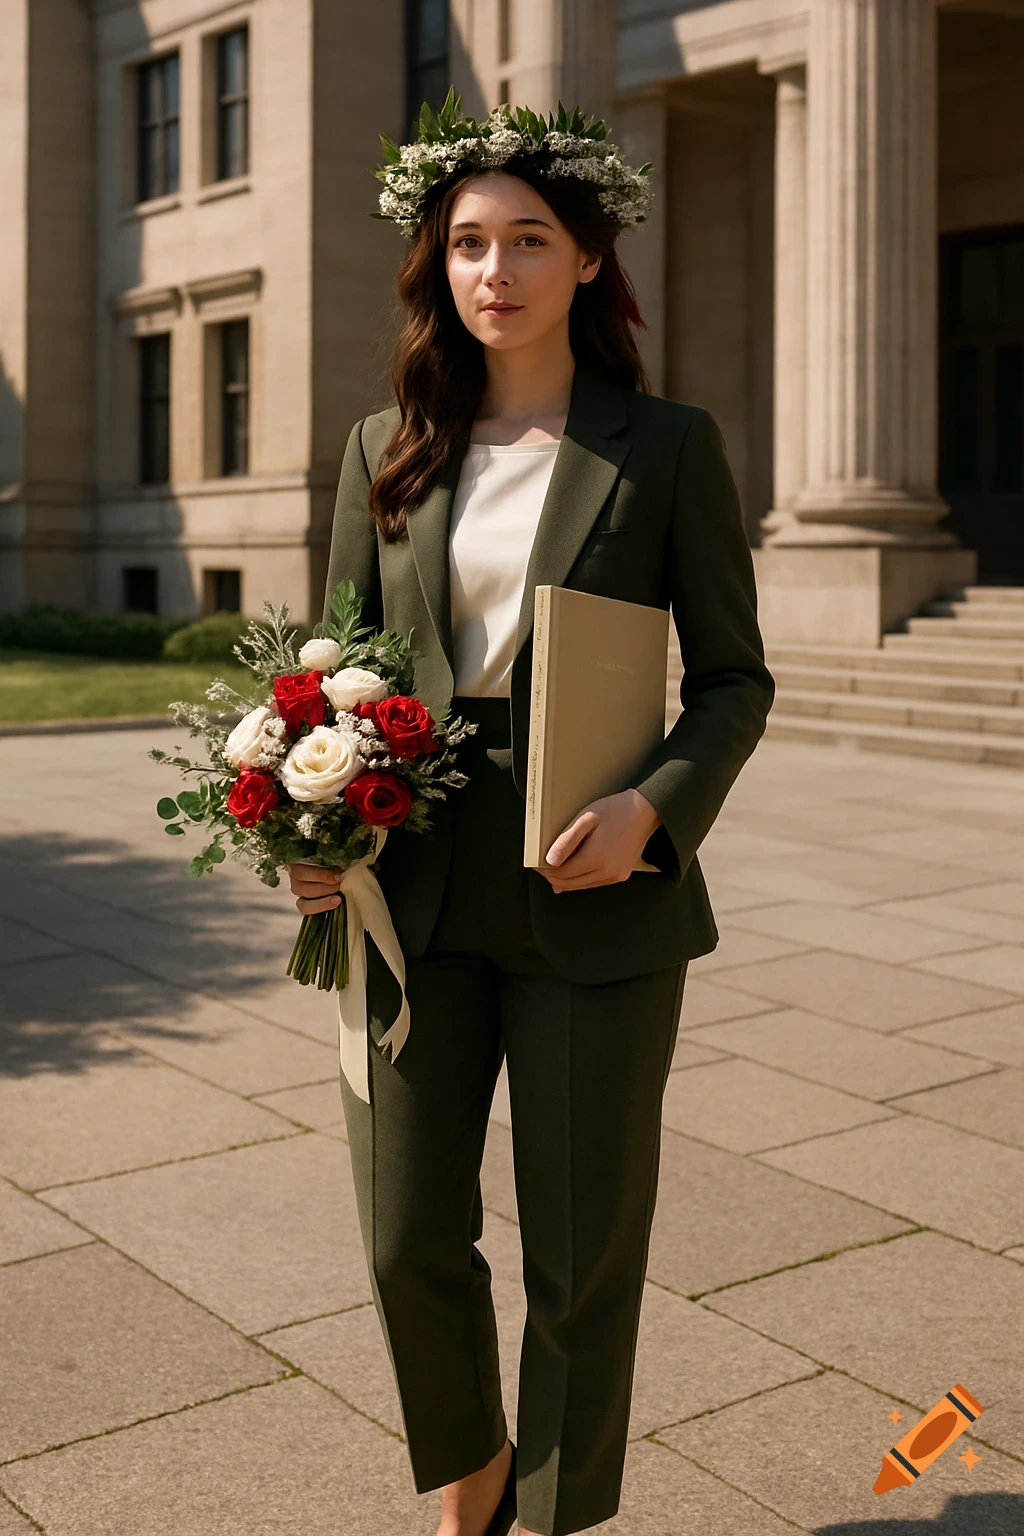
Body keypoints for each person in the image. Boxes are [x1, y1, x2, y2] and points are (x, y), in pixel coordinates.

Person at [287, 94, 775, 1536]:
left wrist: (657, 812)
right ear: (437, 268)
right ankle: (478, 1477)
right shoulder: (387, 444)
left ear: (587, 264)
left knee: (581, 1254)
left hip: (598, 885)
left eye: (527, 241)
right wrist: (306, 840)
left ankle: (542, 1521)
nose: (492, 272)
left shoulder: (667, 444)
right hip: (411, 886)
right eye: (466, 246)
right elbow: (329, 670)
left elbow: (736, 677)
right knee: (404, 1238)